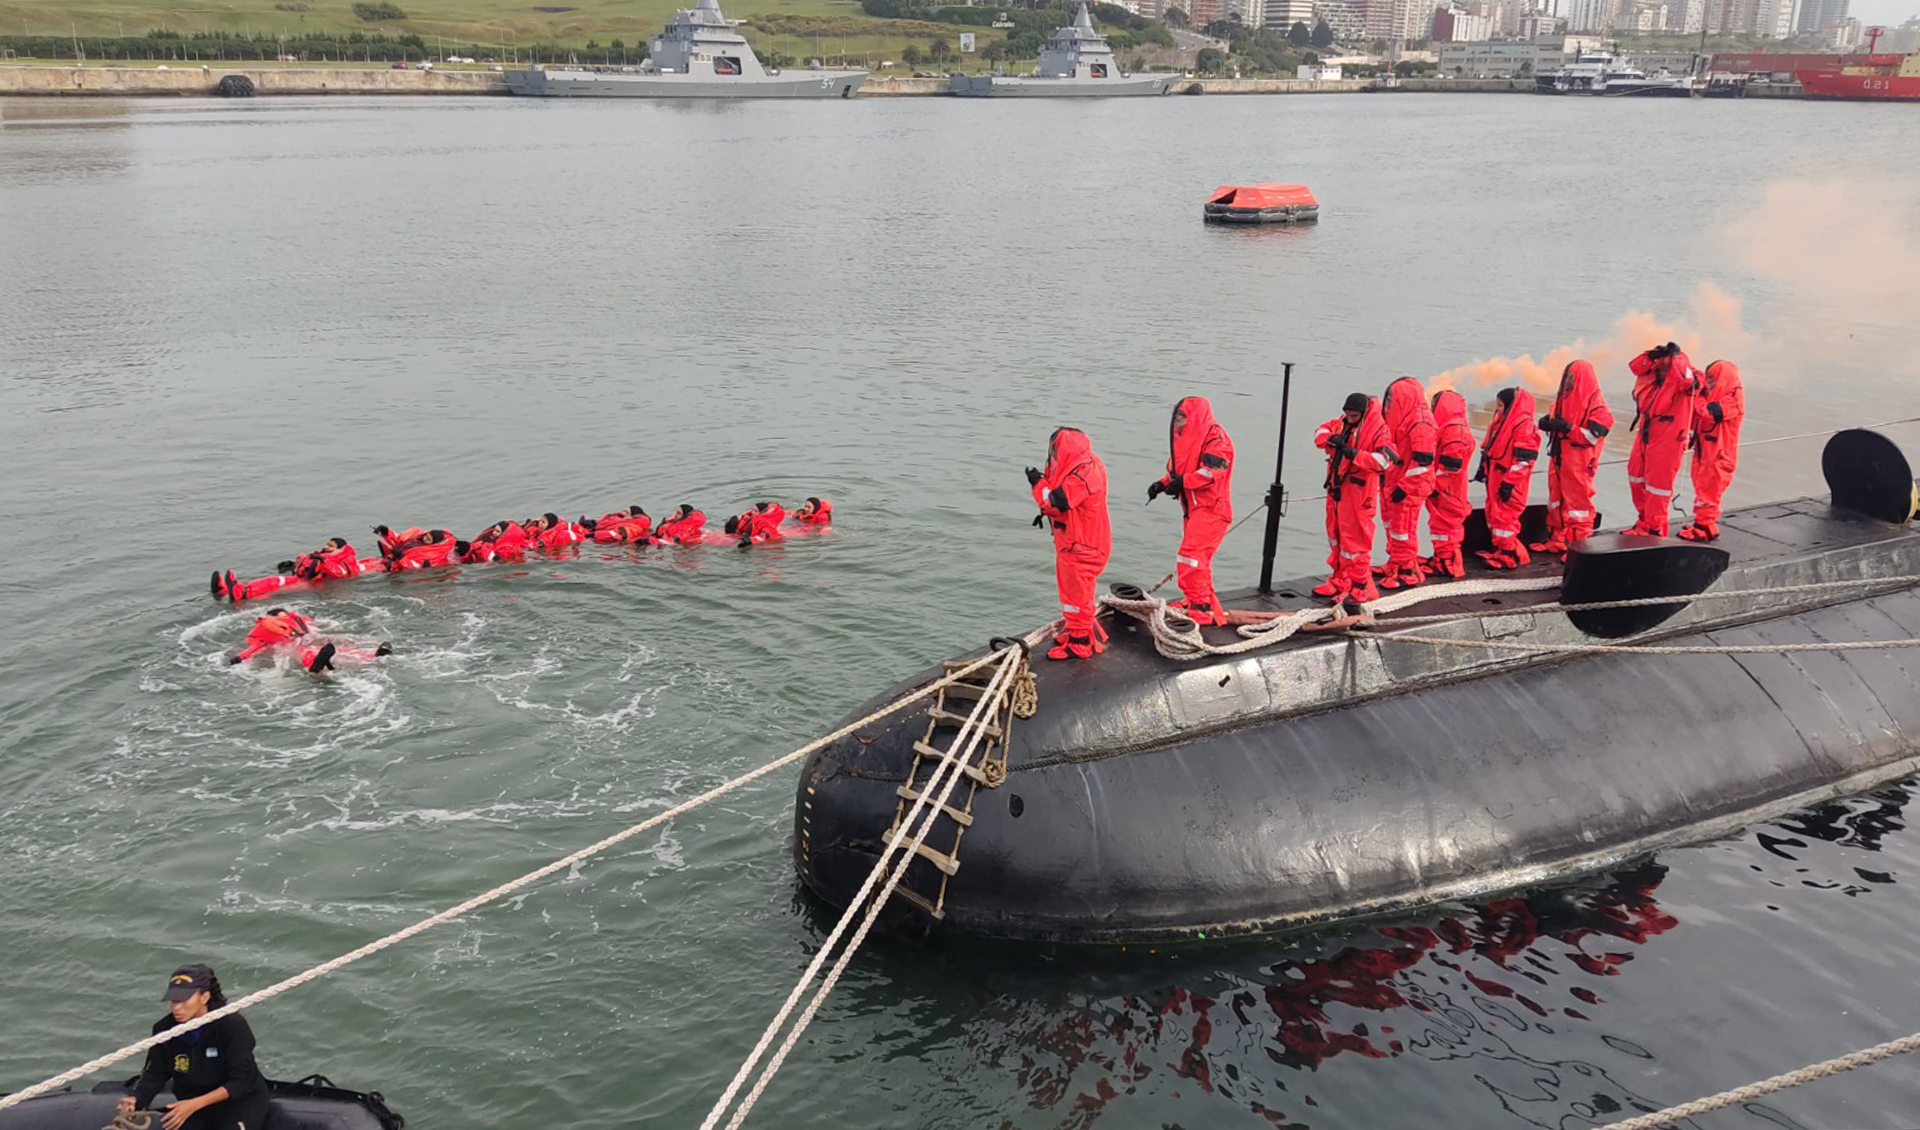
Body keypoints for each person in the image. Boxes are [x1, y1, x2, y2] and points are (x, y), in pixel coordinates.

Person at [121, 964, 268, 1130]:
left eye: (183, 1001)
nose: (176, 1007)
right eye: (173, 1001)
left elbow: (241, 1081)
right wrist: (136, 1099)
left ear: (204, 997)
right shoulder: (164, 1029)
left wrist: (194, 1104)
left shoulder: (232, 1026)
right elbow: (155, 1073)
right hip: (191, 1102)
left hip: (238, 1104)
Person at [1146, 396, 1234, 625]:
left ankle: (1200, 609)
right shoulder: (1187, 438)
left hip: (1212, 508)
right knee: (1197, 558)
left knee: (1191, 556)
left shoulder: (1216, 438)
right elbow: (1178, 469)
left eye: (1182, 416)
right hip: (1195, 508)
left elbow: (1211, 473)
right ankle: (1196, 599)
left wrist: (1183, 482)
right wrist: (1162, 484)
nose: (1177, 420)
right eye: (1176, 416)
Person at [1028, 427, 1111, 661]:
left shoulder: (1083, 474)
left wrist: (1037, 484)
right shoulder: (1084, 465)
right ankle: (1075, 630)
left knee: (1079, 594)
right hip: (1074, 542)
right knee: (1072, 593)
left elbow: (1055, 502)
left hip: (1083, 545)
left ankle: (1080, 642)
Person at [1311, 393, 1395, 604]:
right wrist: (1331, 438)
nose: (1349, 418)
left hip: (1359, 493)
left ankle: (1360, 587)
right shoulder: (1341, 423)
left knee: (1355, 542)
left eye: (1354, 415)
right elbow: (1319, 432)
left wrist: (1354, 454)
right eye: (1347, 414)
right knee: (1336, 536)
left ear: (1363, 413)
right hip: (1338, 490)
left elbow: (1385, 461)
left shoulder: (1379, 430)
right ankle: (1340, 578)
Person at [1532, 359, 1615, 558]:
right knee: (1556, 500)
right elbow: (1556, 420)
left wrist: (1568, 428)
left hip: (1579, 461)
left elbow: (1593, 437)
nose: (1567, 381)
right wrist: (1548, 424)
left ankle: (1580, 548)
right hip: (1560, 457)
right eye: (1566, 377)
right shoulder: (1562, 401)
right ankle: (1556, 539)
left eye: (1572, 378)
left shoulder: (1598, 408)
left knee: (1579, 507)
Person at [1625, 341, 1699, 537]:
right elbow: (1635, 366)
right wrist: (1652, 354)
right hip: (1647, 431)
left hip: (1670, 436)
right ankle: (1644, 522)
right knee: (1635, 476)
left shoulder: (1685, 376)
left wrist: (1677, 358)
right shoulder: (1652, 370)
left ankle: (1655, 529)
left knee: (1658, 487)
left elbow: (1689, 381)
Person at [1378, 378, 1437, 590]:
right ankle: (1395, 562)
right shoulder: (1403, 418)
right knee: (1393, 526)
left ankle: (1406, 571)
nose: (1388, 405)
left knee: (1404, 528)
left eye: (1392, 399)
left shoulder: (1420, 423)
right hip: (1394, 481)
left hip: (1409, 487)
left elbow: (1423, 463)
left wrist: (1404, 487)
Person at [1474, 387, 1540, 570]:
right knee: (1494, 513)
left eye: (1501, 406)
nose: (1498, 410)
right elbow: (1489, 448)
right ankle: (1500, 549)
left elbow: (1524, 460)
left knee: (1506, 517)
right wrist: (1483, 470)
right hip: (1495, 475)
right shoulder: (1501, 423)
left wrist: (1509, 482)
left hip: (1510, 480)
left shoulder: (1523, 426)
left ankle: (1509, 554)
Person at [1679, 360, 1745, 542]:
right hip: (1706, 451)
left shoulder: (1732, 399)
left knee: (1709, 493)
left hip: (1719, 455)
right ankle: (1703, 524)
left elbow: (1708, 414)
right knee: (1703, 489)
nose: (1709, 384)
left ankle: (1704, 528)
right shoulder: (1716, 396)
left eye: (1712, 379)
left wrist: (1697, 396)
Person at [1424, 390, 1476, 579]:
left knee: (1447, 524)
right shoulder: (1450, 427)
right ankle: (1442, 558)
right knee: (1440, 524)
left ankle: (1448, 563)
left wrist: (1434, 485)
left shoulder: (1456, 431)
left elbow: (1450, 468)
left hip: (1448, 490)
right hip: (1444, 488)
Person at [584, 506, 652, 544]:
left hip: (611, 543)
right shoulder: (634, 523)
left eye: (627, 513)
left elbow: (618, 533)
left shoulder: (633, 526)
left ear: (632, 516)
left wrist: (593, 534)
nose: (624, 515)